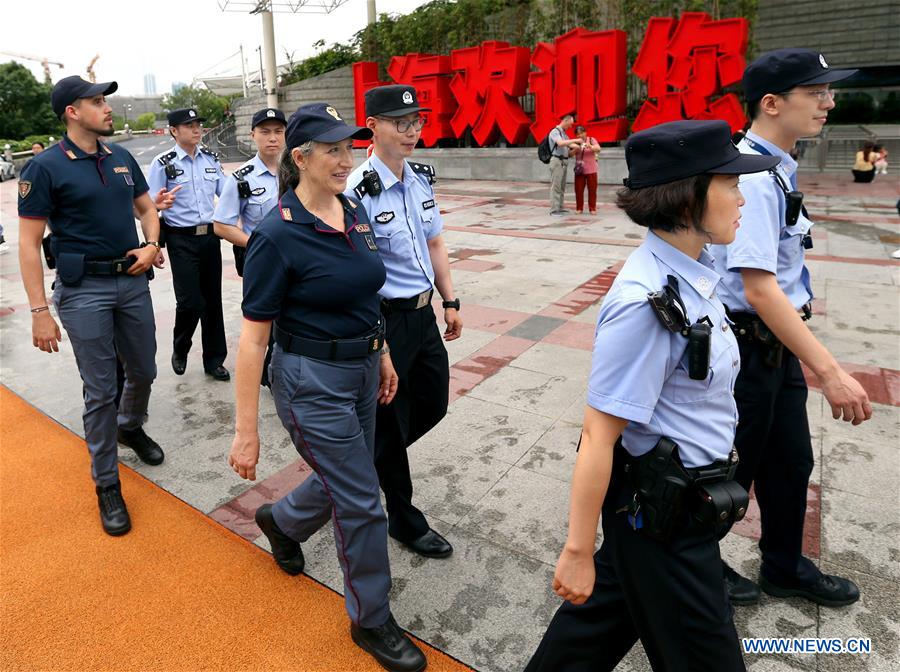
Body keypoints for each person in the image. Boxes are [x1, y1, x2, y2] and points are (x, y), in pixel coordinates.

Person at [524, 120, 779, 672]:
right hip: (666, 525)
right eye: (729, 183)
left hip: (671, 511)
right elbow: (598, 434)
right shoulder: (647, 302)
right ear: (688, 195)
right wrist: (575, 551)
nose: (741, 196)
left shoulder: (697, 270)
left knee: (586, 640)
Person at [227, 103, 426, 672]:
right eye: (333, 150)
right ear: (301, 157)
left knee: (351, 474)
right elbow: (251, 340)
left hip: (362, 370)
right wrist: (246, 431)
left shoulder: (355, 210)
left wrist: (382, 353)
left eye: (350, 148)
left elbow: (367, 294)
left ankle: (281, 520)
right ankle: (371, 618)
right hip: (309, 380)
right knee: (363, 500)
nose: (346, 160)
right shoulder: (277, 234)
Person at [713, 48, 872, 607]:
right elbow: (758, 288)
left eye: (829, 92)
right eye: (817, 92)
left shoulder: (777, 162)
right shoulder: (750, 175)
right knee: (731, 468)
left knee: (789, 462)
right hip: (744, 349)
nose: (829, 102)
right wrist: (829, 371)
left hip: (773, 347)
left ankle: (783, 565)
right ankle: (699, 566)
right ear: (772, 103)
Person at [17, 75, 166, 536]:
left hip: (131, 280)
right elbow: (28, 242)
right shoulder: (44, 167)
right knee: (99, 389)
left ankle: (130, 424)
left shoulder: (120, 158)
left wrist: (151, 243)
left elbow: (146, 208)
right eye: (97, 101)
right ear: (72, 112)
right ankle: (106, 483)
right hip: (83, 291)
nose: (107, 109)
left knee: (144, 370)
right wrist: (39, 311)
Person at [346, 85, 462, 559]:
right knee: (392, 425)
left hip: (423, 314)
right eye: (401, 122)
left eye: (417, 121)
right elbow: (359, 277)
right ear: (372, 126)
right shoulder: (358, 190)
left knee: (433, 402)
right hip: (386, 321)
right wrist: (381, 345)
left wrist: (450, 299)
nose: (412, 130)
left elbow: (435, 243)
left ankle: (362, 468)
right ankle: (405, 519)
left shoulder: (419, 179)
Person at [148, 108, 229, 381]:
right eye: (189, 125)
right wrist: (158, 205)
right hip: (180, 238)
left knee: (212, 302)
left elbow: (226, 193)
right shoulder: (163, 163)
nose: (197, 129)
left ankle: (214, 360)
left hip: (210, 237)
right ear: (174, 130)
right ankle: (181, 346)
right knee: (190, 301)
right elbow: (148, 204)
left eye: (198, 124)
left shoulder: (210, 159)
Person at [212, 106, 286, 387]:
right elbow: (222, 225)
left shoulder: (298, 171)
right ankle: (265, 374)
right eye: (265, 132)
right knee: (260, 326)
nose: (272, 138)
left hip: (297, 261)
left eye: (278, 132)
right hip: (262, 263)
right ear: (252, 135)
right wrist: (257, 243)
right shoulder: (241, 178)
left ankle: (277, 374)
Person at [547, 112, 581, 215]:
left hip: (563, 161)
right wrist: (576, 140)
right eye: (570, 124)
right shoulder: (555, 132)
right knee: (556, 186)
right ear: (565, 120)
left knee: (561, 187)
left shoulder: (564, 134)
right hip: (557, 161)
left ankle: (560, 207)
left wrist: (578, 147)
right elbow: (561, 143)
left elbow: (569, 151)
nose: (571, 126)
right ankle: (554, 209)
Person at [570, 125, 600, 214]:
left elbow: (598, 149)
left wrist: (589, 146)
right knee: (578, 190)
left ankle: (592, 208)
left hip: (592, 170)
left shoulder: (591, 140)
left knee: (592, 190)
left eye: (581, 133)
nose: (580, 135)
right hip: (580, 170)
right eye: (578, 134)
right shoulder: (575, 142)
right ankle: (579, 208)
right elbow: (569, 154)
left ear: (585, 133)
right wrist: (576, 149)